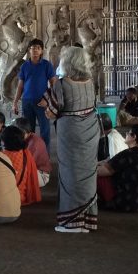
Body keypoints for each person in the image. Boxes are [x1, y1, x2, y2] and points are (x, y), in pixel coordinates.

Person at [42, 45, 99, 233]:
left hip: (71, 132)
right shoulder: (90, 81)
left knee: (70, 174)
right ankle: (86, 221)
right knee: (87, 172)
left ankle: (71, 222)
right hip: (90, 130)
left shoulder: (62, 84)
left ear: (67, 62)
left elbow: (51, 112)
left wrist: (46, 105)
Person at [97, 125, 138, 212]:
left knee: (95, 176)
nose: (126, 134)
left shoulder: (128, 154)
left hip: (129, 204)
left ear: (134, 137)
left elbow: (102, 171)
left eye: (128, 133)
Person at [12, 38, 57, 150]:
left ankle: (44, 155)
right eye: (33, 48)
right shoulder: (24, 66)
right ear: (29, 50)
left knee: (45, 131)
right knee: (27, 131)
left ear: (41, 51)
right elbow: (20, 86)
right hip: (27, 102)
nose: (35, 50)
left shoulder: (46, 65)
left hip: (42, 102)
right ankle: (29, 154)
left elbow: (54, 84)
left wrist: (47, 100)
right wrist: (15, 102)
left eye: (38, 48)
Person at [1, 125, 41, 206]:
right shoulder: (26, 153)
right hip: (21, 198)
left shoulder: (1, 156)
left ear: (4, 141)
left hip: (4, 200)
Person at [13, 116, 51, 187]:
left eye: (20, 133)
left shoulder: (34, 143)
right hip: (33, 169)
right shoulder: (27, 138)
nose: (17, 136)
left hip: (42, 175)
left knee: (12, 176)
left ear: (26, 131)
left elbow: (26, 164)